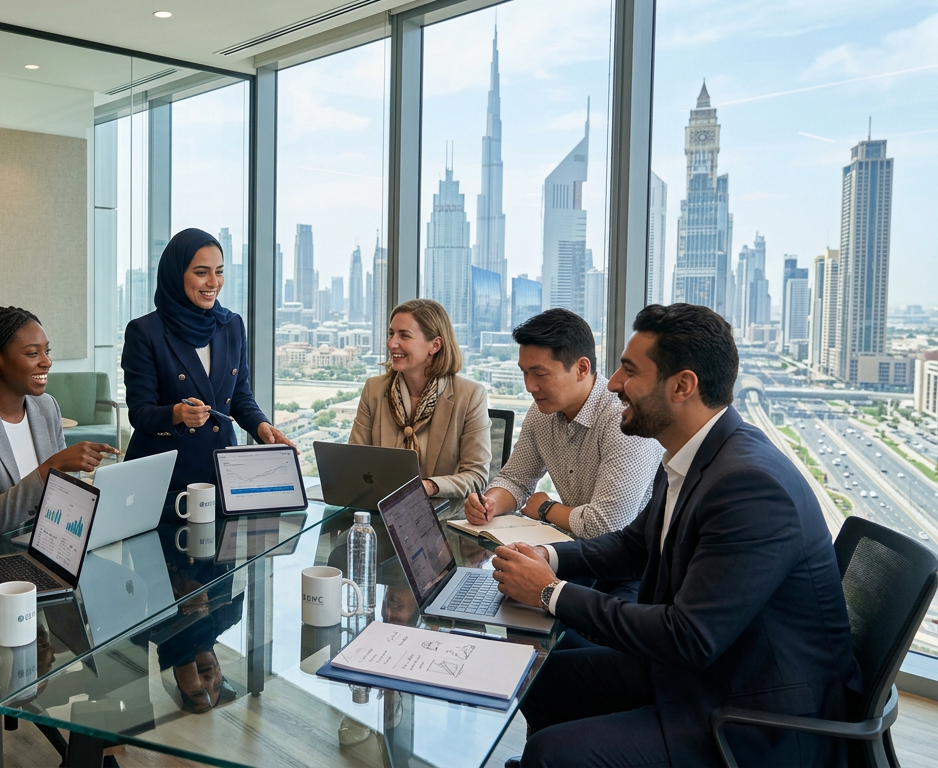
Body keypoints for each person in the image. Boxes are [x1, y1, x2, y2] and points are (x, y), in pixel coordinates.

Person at [491, 303, 860, 768]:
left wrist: (548, 591)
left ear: (682, 385)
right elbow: (633, 548)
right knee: (537, 676)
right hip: (696, 673)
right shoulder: (690, 456)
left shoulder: (750, 487)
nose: (613, 384)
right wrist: (547, 555)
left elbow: (689, 636)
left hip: (751, 714)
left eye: (629, 371)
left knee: (553, 754)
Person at [464, 309, 661, 594]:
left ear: (581, 368)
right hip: (575, 554)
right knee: (504, 597)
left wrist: (545, 508)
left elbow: (606, 527)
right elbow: (515, 480)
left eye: (540, 374)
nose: (530, 386)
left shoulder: (621, 418)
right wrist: (490, 502)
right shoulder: (542, 411)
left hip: (629, 571)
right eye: (525, 373)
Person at [0, 306, 119, 550]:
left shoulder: (46, 406)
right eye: (32, 353)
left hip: (41, 544)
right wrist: (53, 466)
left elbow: (63, 493)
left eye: (47, 351)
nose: (47, 361)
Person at [122, 228, 293, 490]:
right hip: (165, 478)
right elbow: (139, 412)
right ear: (176, 275)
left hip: (223, 471)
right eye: (202, 273)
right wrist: (177, 414)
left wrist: (261, 426)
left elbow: (239, 396)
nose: (214, 282)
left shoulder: (231, 325)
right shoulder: (145, 332)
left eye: (219, 271)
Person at [349, 298, 491, 498]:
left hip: (442, 515)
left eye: (404, 336)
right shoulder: (374, 389)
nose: (391, 344)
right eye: (391, 334)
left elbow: (477, 477)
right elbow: (353, 461)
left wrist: (430, 486)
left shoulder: (470, 395)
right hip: (379, 508)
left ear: (435, 345)